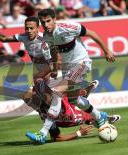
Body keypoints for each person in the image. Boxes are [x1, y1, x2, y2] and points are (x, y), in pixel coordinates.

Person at [26, 8, 116, 144]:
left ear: (54, 19)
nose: (46, 25)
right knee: (74, 101)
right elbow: (54, 52)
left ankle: (43, 133)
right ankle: (99, 116)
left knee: (57, 93)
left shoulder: (68, 27)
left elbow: (92, 33)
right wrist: (55, 68)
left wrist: (106, 50)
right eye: (43, 23)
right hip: (69, 69)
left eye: (48, 21)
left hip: (82, 64)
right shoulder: (47, 37)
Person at [24, 78, 121, 142]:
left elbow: (27, 98)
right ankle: (104, 117)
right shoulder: (43, 111)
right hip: (73, 118)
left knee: (78, 100)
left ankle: (103, 116)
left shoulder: (57, 97)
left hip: (74, 112)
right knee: (90, 117)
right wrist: (78, 133)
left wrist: (35, 85)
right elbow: (58, 138)